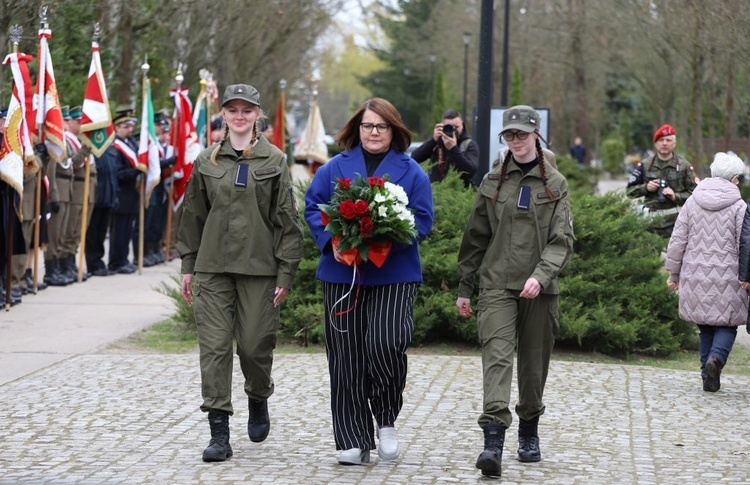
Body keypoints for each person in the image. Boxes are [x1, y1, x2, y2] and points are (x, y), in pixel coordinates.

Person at [177, 83, 303, 463]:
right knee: (214, 349)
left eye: (247, 110)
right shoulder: (206, 161)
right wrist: (187, 266)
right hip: (212, 268)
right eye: (233, 109)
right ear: (223, 114)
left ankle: (258, 395)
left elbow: (286, 221)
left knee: (253, 344)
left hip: (258, 269)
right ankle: (219, 432)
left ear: (258, 115)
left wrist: (285, 273)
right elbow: (192, 216)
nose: (239, 116)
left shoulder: (274, 160)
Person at [304, 97, 434, 465]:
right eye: (367, 126)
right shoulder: (334, 168)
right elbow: (313, 208)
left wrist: (384, 239)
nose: (373, 132)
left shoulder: (412, 172)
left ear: (394, 131)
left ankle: (386, 418)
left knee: (386, 344)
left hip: (393, 273)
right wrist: (334, 240)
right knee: (345, 357)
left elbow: (422, 218)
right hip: (342, 273)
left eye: (381, 126)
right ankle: (352, 437)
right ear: (356, 130)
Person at [455, 105, 574, 477]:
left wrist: (541, 275)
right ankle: (493, 441)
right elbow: (475, 237)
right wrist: (465, 287)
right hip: (496, 285)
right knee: (497, 358)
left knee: (533, 368)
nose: (516, 141)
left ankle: (529, 429)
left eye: (522, 134)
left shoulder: (556, 184)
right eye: (510, 135)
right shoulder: (493, 181)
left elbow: (562, 239)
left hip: (540, 289)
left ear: (536, 135)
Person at [667, 152, 747, 393]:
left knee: (704, 325)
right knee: (727, 325)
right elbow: (745, 243)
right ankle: (716, 361)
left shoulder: (692, 202)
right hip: (729, 276)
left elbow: (678, 239)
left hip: (695, 274)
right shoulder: (739, 207)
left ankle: (706, 375)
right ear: (733, 179)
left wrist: (674, 273)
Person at [626, 124, 697, 238]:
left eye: (668, 140)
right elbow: (629, 192)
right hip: (649, 224)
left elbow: (696, 194)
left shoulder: (684, 166)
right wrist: (646, 188)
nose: (664, 143)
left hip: (676, 224)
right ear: (655, 143)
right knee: (648, 255)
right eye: (661, 140)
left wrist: (676, 196)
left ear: (674, 143)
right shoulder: (645, 165)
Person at [59, 105, 93, 281]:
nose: (82, 125)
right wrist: (85, 149)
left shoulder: (79, 140)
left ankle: (71, 263)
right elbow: (74, 163)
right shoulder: (68, 140)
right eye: (78, 122)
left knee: (79, 231)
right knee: (70, 230)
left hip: (87, 191)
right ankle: (65, 265)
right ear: (70, 122)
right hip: (76, 190)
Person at [411, 109, 479, 187]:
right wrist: (433, 140)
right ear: (442, 127)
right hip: (437, 192)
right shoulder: (437, 143)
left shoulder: (468, 144)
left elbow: (471, 171)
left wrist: (453, 149)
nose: (453, 130)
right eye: (448, 127)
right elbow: (414, 157)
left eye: (456, 127)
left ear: (462, 125)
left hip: (460, 193)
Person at [109, 108, 140, 274]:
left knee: (127, 229)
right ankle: (116, 261)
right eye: (127, 126)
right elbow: (118, 173)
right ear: (118, 126)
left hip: (131, 194)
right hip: (121, 194)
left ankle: (124, 259)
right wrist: (136, 171)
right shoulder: (115, 146)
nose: (130, 129)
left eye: (131, 126)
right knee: (119, 230)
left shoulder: (130, 144)